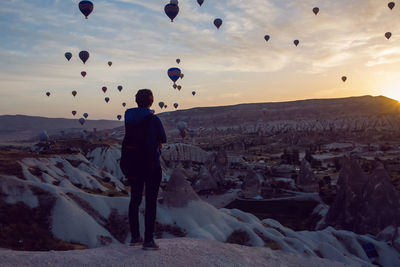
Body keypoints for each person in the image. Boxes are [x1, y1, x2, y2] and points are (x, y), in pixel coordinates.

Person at [122, 89, 166, 250]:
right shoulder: (153, 119)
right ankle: (148, 241)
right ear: (150, 101)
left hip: (133, 163)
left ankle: (135, 237)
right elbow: (163, 138)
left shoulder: (128, 118)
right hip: (151, 164)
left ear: (136, 100)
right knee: (150, 202)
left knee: (135, 200)